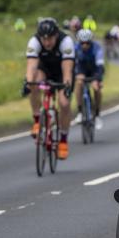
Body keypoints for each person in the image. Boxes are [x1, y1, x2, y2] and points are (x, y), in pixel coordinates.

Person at [24, 18, 75, 159]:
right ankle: (36, 120)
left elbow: (67, 69)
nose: (47, 43)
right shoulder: (34, 42)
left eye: (50, 39)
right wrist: (28, 82)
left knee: (64, 103)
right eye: (44, 39)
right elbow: (31, 65)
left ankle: (63, 140)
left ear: (56, 35)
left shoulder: (66, 42)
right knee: (34, 82)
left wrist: (66, 86)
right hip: (44, 69)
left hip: (62, 72)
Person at [74, 29, 105, 130]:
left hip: (94, 70)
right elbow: (72, 64)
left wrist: (97, 79)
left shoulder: (97, 48)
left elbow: (100, 66)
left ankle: (97, 115)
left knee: (97, 89)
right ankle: (79, 112)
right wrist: (76, 74)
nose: (85, 45)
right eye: (82, 43)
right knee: (78, 84)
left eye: (87, 43)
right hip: (82, 70)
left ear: (91, 41)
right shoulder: (75, 48)